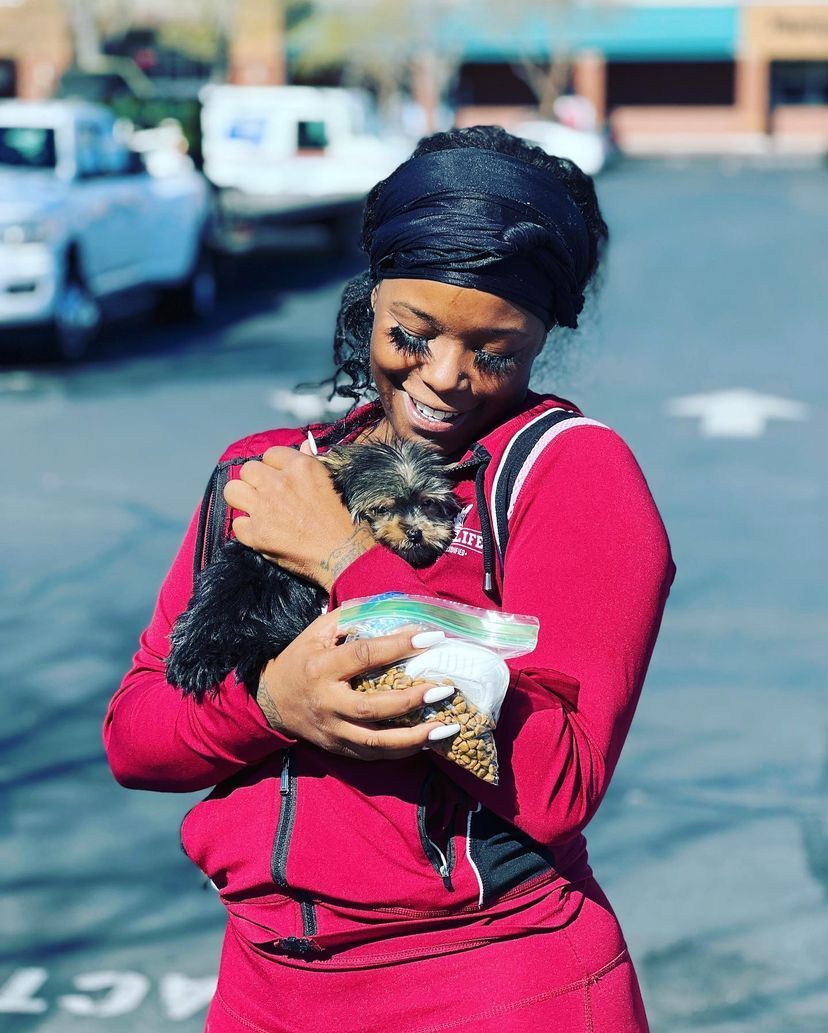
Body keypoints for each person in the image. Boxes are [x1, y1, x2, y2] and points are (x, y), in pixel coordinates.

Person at [104, 126, 676, 1032]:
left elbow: (559, 782)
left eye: (496, 351)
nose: (447, 378)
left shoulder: (568, 473)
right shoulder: (268, 473)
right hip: (263, 987)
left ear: (541, 341)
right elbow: (137, 738)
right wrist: (274, 704)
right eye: (413, 333)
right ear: (368, 298)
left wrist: (344, 561)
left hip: (492, 985)